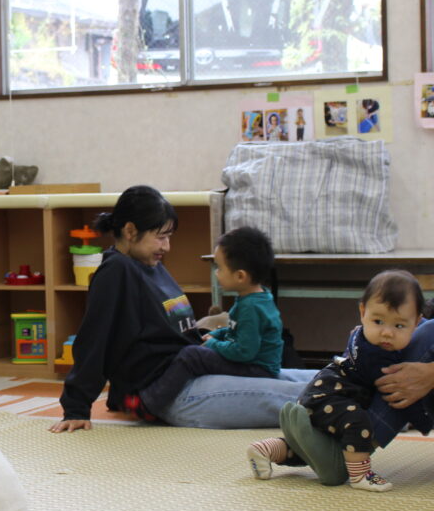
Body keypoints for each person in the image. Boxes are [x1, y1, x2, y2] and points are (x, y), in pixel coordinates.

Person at [48, 185, 311, 434]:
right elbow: (94, 339)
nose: (166, 246)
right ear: (130, 231)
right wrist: (76, 407)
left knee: (317, 378)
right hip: (170, 392)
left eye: (168, 237)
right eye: (160, 237)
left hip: (196, 371)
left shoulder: (149, 263)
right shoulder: (117, 271)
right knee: (310, 395)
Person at [247, 270, 434, 491]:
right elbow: (401, 390)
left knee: (319, 442)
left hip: (325, 397)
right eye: (378, 321)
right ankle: (359, 475)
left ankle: (266, 449)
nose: (387, 333)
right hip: (333, 399)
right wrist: (422, 422)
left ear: (416, 322)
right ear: (362, 311)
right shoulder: (379, 356)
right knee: (358, 423)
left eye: (399, 326)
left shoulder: (363, 336)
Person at [124, 226, 283, 422]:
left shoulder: (251, 307)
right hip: (255, 363)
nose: (217, 273)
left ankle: (149, 404)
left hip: (257, 370)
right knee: (196, 348)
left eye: (220, 268)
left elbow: (244, 352)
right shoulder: (256, 297)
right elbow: (238, 331)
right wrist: (217, 334)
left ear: (240, 276)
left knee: (191, 356)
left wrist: (213, 345)